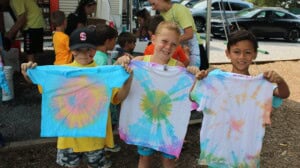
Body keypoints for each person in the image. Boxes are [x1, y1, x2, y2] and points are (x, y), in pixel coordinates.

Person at [20, 27, 132, 168]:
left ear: (96, 49)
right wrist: (28, 73)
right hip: (69, 139)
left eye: (89, 49)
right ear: (71, 50)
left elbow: (118, 97)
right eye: (78, 49)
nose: (84, 53)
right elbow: (39, 83)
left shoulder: (104, 74)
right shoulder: (61, 73)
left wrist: (128, 80)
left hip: (95, 138)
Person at [189, 30, 290, 167]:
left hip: (246, 155)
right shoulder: (215, 79)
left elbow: (283, 94)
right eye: (237, 52)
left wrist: (280, 81)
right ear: (227, 53)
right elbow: (192, 96)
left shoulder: (260, 85)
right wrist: (199, 81)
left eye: (247, 52)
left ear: (254, 54)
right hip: (218, 152)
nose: (242, 57)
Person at [115, 21, 205, 168]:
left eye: (173, 44)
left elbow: (190, 97)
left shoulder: (179, 68)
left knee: (168, 161)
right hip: (144, 122)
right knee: (144, 159)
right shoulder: (139, 63)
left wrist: (194, 77)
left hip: (169, 125)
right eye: (164, 41)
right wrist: (121, 62)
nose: (168, 47)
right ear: (154, 39)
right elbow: (118, 86)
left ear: (178, 46)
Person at [148, 0, 208, 69]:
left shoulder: (179, 10)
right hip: (180, 50)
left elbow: (189, 34)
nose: (153, 8)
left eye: (153, 4)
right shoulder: (162, 14)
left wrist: (169, 42)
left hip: (193, 49)